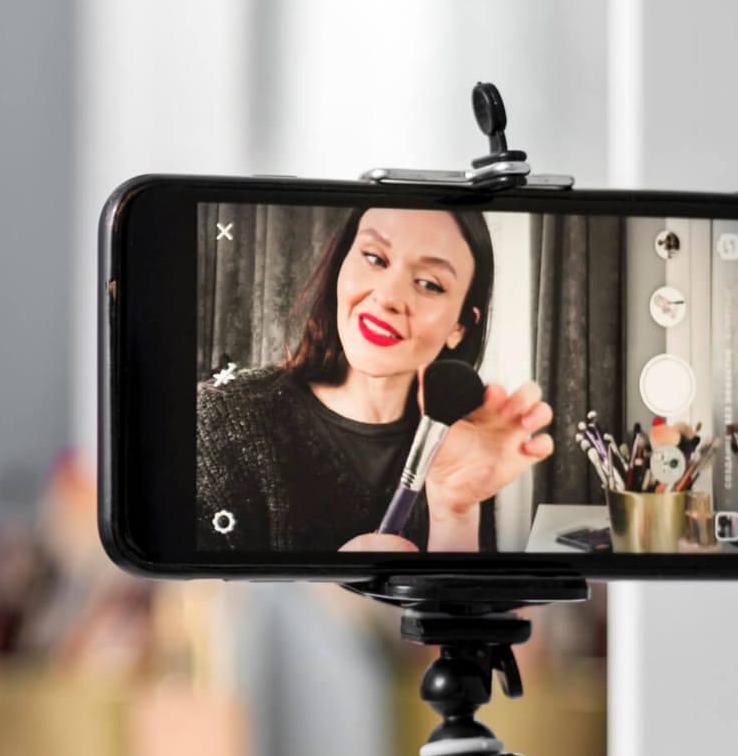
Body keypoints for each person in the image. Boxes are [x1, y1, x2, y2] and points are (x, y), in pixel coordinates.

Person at [197, 206, 553, 553]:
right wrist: (337, 587)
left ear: (460, 325)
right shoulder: (219, 419)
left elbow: (458, 611)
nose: (388, 297)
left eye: (429, 283)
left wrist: (455, 517)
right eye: (375, 259)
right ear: (341, 265)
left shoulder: (460, 440)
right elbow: (188, 609)